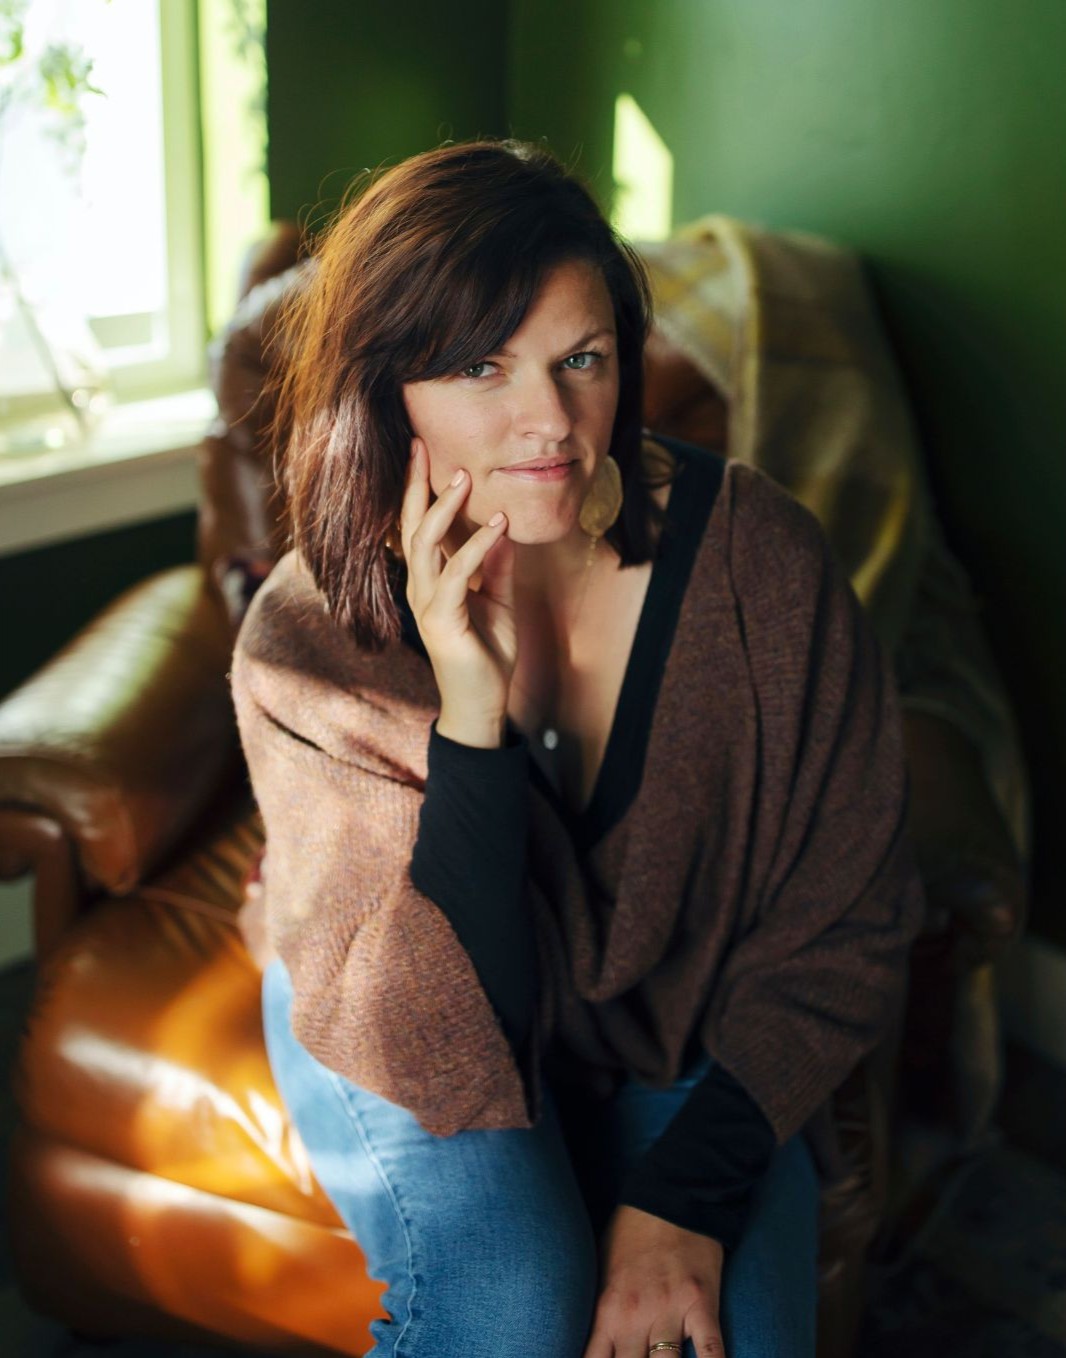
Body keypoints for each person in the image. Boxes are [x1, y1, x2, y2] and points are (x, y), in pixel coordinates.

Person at [231, 138, 926, 1358]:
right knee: (513, 1302)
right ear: (387, 389)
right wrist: (468, 709)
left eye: (582, 359)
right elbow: (463, 1016)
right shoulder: (307, 639)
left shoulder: (762, 566)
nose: (550, 421)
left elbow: (852, 915)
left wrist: (683, 1198)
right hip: (397, 1010)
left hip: (677, 1033)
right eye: (480, 367)